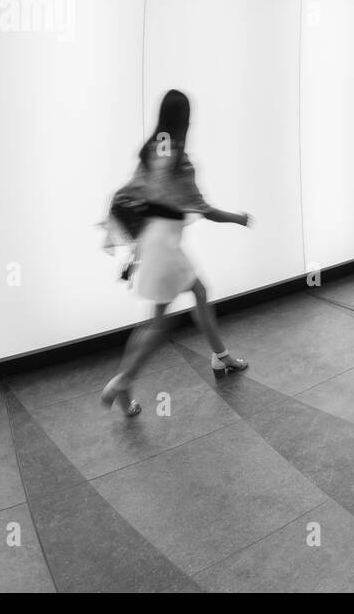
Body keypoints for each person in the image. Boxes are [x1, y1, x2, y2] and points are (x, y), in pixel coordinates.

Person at [101, 89, 252, 417]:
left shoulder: (149, 152)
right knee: (160, 325)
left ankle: (219, 355)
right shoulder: (179, 160)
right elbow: (203, 209)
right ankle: (123, 381)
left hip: (152, 241)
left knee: (184, 301)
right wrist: (239, 218)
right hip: (165, 246)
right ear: (184, 120)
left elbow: (136, 193)